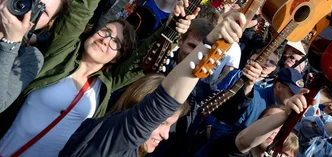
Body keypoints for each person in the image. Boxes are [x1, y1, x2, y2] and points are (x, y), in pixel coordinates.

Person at [0, 0, 195, 156]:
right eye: (105, 32)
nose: (105, 39)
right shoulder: (61, 55)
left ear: (117, 57)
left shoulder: (105, 85)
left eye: (116, 43)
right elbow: (81, 9)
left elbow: (140, 61)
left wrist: (174, 28)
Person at [57, 11, 247, 157]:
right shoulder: (110, 142)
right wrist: (208, 44)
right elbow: (164, 102)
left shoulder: (130, 150)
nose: (166, 135)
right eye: (162, 123)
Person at [0, 0, 71, 112]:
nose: (28, 10)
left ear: (49, 24)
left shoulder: (30, 58)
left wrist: (11, 43)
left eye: (42, 10)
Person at [208, 95, 308, 157]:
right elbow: (243, 141)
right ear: (257, 122)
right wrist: (286, 114)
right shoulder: (233, 143)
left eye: (280, 126)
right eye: (269, 120)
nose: (273, 129)